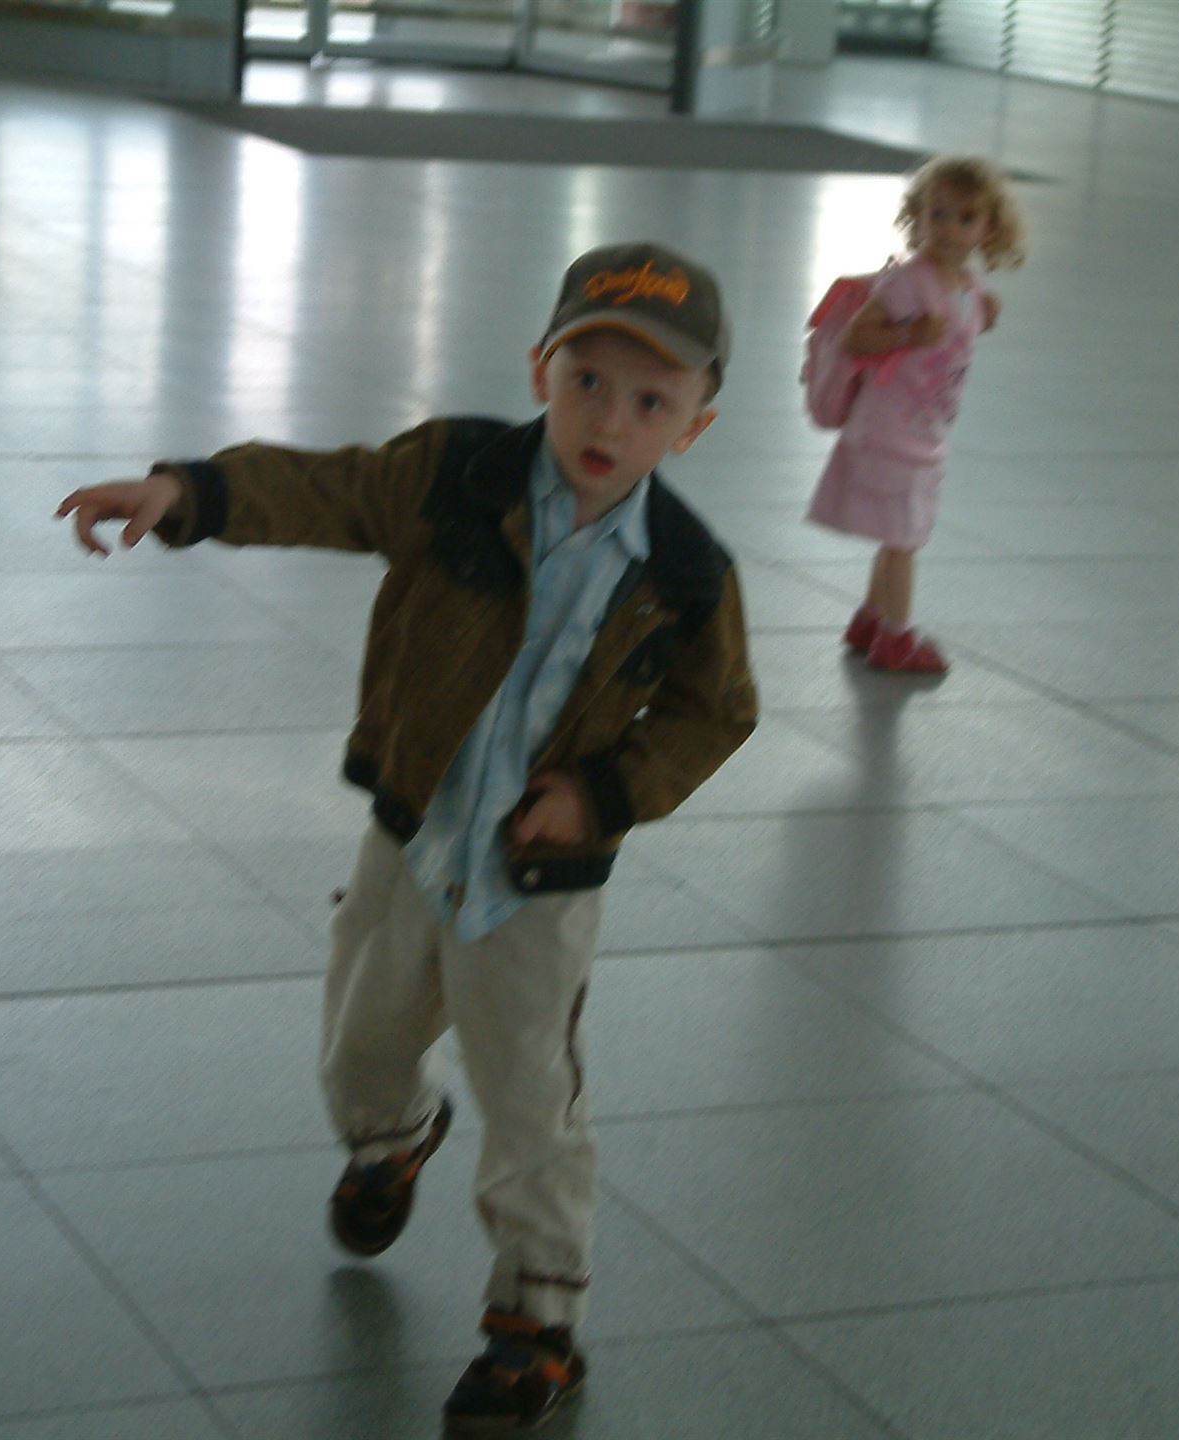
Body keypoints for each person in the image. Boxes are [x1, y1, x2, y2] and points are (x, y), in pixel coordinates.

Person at [54, 242, 757, 1434]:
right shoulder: (456, 474)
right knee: (359, 1051)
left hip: (536, 885)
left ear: (694, 426)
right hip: (413, 836)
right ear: (540, 371)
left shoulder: (689, 575)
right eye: (587, 380)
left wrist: (602, 794)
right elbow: (331, 490)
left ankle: (537, 1324)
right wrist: (189, 496)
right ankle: (393, 1137)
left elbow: (715, 713)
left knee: (531, 1106)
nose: (609, 420)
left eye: (651, 402)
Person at [806, 155, 1028, 675]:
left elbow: (959, 331)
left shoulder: (967, 286)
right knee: (904, 541)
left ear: (989, 228)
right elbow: (858, 338)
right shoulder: (907, 283)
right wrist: (908, 334)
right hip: (888, 433)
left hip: (922, 433)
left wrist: (984, 314)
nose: (949, 229)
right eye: (938, 214)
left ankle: (870, 620)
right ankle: (896, 639)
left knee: (897, 536)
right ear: (917, 217)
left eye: (965, 218)